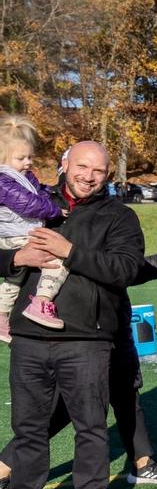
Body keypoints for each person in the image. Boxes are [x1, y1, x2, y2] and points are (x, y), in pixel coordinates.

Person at [4, 141, 144, 489]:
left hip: (87, 338)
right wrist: (16, 260)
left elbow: (124, 269)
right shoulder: (30, 201)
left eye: (98, 171)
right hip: (29, 336)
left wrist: (71, 252)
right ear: (64, 165)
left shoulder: (119, 216)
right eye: (81, 166)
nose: (88, 176)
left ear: (108, 176)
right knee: (29, 427)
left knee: (90, 426)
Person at [0, 115, 68, 337]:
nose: (28, 162)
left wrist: (52, 193)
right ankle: (41, 301)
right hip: (15, 234)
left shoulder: (23, 176)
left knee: (15, 277)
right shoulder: (3, 180)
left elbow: (39, 192)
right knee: (58, 260)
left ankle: (1, 313)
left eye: (30, 157)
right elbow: (28, 203)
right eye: (21, 158)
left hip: (19, 233)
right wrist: (55, 211)